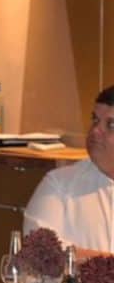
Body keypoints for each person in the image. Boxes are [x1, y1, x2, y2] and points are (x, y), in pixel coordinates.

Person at [24, 85, 114, 260]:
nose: (95, 131)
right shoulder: (59, 184)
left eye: (111, 125)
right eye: (95, 120)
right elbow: (39, 252)